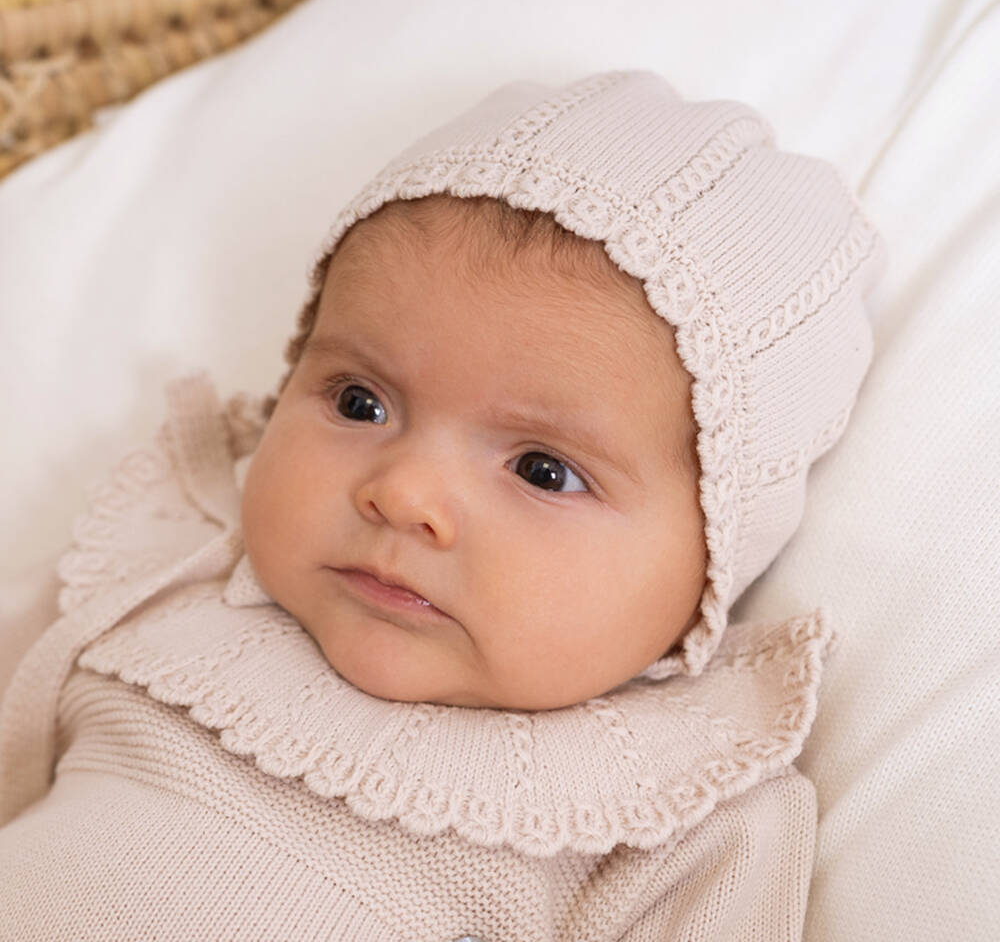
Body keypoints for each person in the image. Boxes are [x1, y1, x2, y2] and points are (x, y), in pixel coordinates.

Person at [0, 70, 886, 940]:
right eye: (360, 403)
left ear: (715, 563)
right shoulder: (155, 572)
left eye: (543, 471)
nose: (404, 493)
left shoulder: (679, 816)